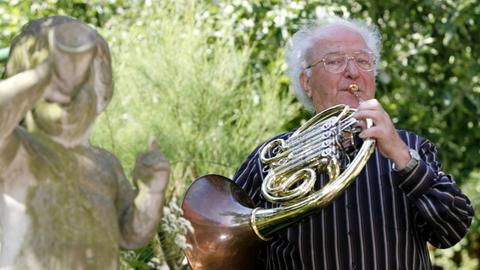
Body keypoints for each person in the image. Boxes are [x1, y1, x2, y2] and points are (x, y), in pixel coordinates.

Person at [233, 16, 473, 270]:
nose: (353, 71)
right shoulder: (271, 158)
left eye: (362, 60)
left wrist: (403, 158)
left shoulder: (413, 146)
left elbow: (453, 229)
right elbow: (228, 244)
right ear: (307, 83)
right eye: (335, 61)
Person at [0, 16, 169, 269]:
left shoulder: (105, 165)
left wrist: (151, 193)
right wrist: (43, 75)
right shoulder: (20, 150)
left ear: (101, 92)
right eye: (51, 88)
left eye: (80, 83)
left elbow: (131, 235)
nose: (66, 94)